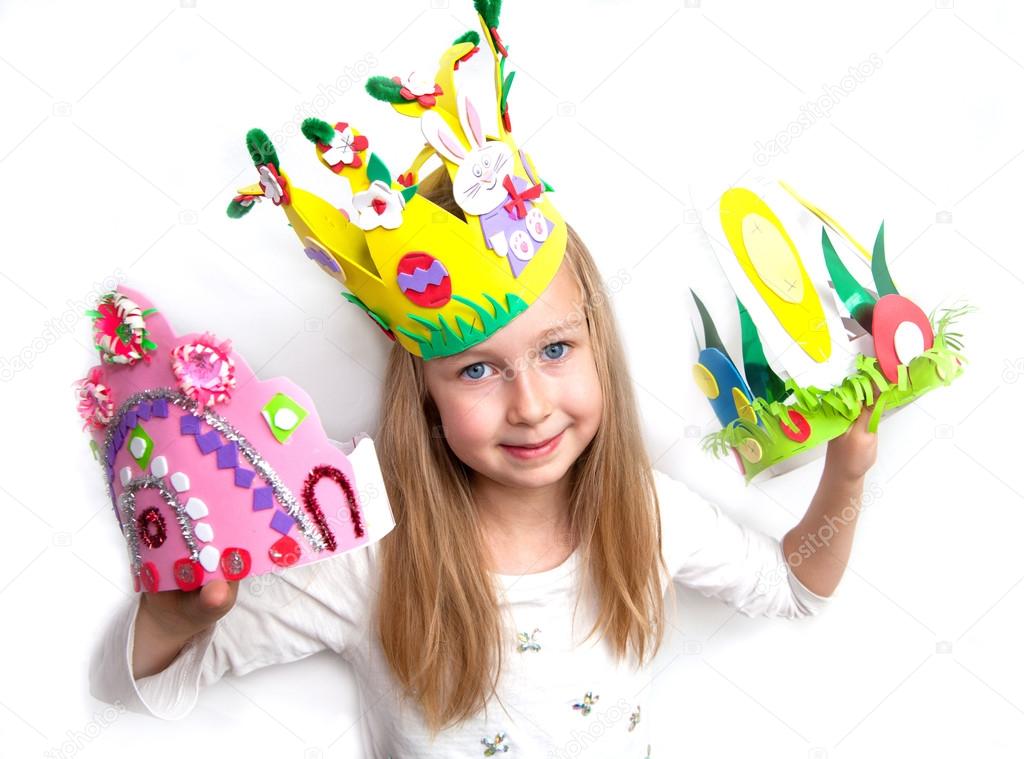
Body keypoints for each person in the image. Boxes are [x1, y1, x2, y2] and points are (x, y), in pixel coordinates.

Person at [89, 164, 879, 756]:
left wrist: (847, 471)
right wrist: (171, 615)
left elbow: (794, 590)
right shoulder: (366, 553)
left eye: (557, 349)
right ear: (423, 388)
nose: (530, 404)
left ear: (598, 347)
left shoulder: (647, 510)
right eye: (477, 368)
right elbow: (137, 688)